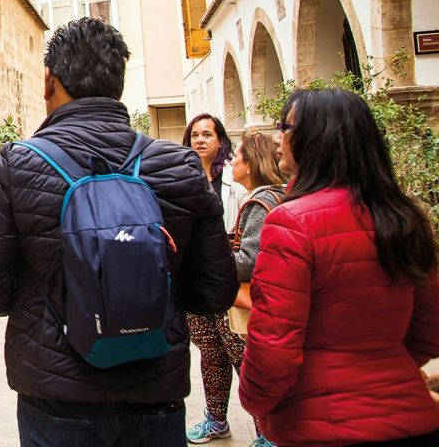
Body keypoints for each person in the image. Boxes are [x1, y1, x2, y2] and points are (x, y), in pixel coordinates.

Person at [0, 18, 238, 447]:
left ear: (50, 80)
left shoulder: (15, 165)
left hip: (56, 396)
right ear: (118, 81)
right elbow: (215, 292)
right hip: (154, 391)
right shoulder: (179, 166)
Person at [239, 88, 439, 446]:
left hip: (324, 426)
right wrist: (383, 371)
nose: (277, 137)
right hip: (410, 417)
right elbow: (430, 326)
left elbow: (274, 343)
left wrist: (256, 403)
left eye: (284, 126)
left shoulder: (291, 222)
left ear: (314, 138)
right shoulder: (405, 217)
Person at [214, 131, 288, 447]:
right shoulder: (276, 195)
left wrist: (211, 260)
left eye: (237, 156)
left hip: (256, 304)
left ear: (251, 162)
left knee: (253, 371)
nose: (232, 163)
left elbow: (249, 262)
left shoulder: (261, 200)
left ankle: (267, 437)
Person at [182, 114, 245, 444]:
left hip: (228, 286)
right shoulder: (181, 179)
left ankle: (266, 429)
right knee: (210, 355)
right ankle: (216, 420)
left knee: (242, 357)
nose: (200, 140)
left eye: (208, 134)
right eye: (195, 135)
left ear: (221, 141)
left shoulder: (235, 183)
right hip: (196, 285)